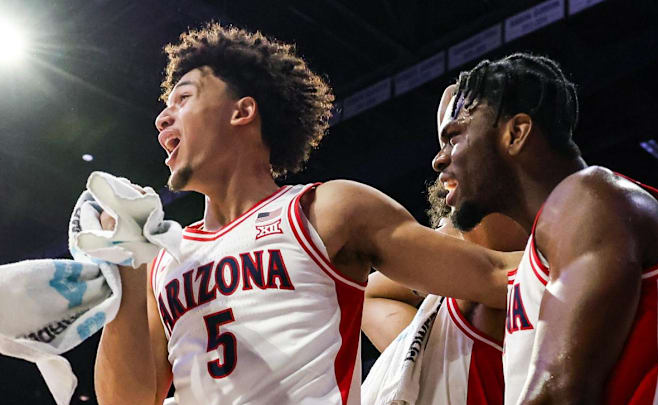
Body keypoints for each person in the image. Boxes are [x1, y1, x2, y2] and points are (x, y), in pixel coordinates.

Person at [92, 24, 519, 405]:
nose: (163, 116)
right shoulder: (161, 261)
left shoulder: (328, 210)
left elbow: (494, 277)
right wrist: (126, 267)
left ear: (242, 111)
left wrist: (577, 216)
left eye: (183, 97)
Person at [432, 52, 658, 404]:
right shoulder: (557, 237)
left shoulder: (591, 199)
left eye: (455, 137)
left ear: (516, 133)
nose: (440, 158)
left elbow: (559, 393)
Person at [361, 178, 527, 405]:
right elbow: (368, 293)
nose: (436, 238)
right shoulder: (432, 342)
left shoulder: (512, 282)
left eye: (455, 218)